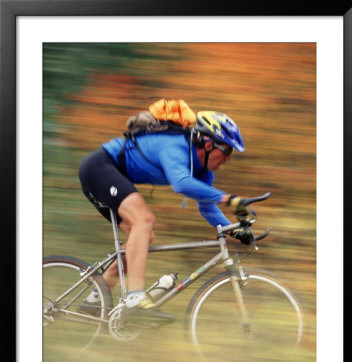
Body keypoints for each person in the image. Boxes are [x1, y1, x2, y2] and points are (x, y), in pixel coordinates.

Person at [78, 110, 251, 323]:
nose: (228, 159)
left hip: (113, 177)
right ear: (209, 145)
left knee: (142, 238)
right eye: (226, 151)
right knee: (144, 220)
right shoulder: (175, 146)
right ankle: (135, 298)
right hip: (99, 169)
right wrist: (229, 199)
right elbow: (181, 184)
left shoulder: (204, 170)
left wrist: (233, 229)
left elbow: (206, 207)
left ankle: (95, 300)